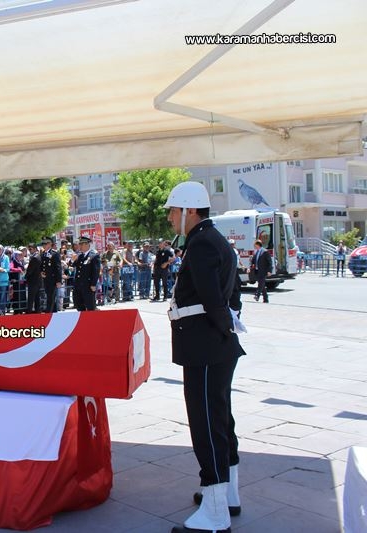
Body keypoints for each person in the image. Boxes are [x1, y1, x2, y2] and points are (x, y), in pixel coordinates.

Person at [163, 181, 244, 533]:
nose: (169, 218)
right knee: (221, 420)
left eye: (172, 211)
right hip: (213, 346)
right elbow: (233, 295)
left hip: (205, 347)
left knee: (207, 425)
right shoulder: (214, 240)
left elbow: (214, 300)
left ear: (189, 210)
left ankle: (215, 512)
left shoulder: (201, 243)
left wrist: (223, 329)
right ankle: (228, 495)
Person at [73, 236, 100, 311]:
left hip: (88, 285)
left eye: (81, 244)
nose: (80, 246)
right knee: (79, 306)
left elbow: (96, 271)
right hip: (78, 285)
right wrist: (73, 260)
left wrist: (93, 284)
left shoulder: (93, 256)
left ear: (87, 244)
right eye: (79, 244)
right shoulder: (80, 256)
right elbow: (74, 266)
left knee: (90, 306)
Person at [40, 237, 62, 313]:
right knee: (50, 296)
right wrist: (41, 272)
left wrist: (59, 280)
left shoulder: (55, 254)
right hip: (46, 279)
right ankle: (54, 312)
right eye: (43, 244)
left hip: (53, 280)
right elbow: (42, 266)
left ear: (50, 244)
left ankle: (49, 313)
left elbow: (58, 268)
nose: (43, 245)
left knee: (50, 297)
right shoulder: (43, 254)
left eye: (45, 244)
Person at [24, 243, 43, 313]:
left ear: (35, 249)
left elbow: (30, 270)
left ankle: (29, 313)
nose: (29, 250)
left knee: (31, 298)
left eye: (30, 249)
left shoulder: (35, 257)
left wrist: (25, 276)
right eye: (29, 249)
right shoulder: (38, 256)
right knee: (37, 298)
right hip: (37, 281)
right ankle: (38, 312)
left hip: (33, 281)